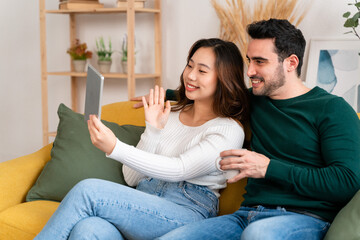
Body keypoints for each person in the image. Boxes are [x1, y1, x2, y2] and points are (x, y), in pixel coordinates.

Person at [151, 19, 360, 239]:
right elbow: (213, 93)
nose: (250, 71)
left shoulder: (332, 109)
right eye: (249, 60)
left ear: (291, 63)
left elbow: (347, 181)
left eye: (260, 62)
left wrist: (269, 168)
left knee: (258, 235)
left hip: (305, 219)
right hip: (244, 216)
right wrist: (161, 96)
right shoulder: (252, 100)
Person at [34, 38, 250, 240]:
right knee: (89, 228)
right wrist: (153, 130)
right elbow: (132, 178)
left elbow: (179, 169)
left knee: (88, 191)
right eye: (189, 65)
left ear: (224, 79)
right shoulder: (170, 113)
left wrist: (115, 147)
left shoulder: (228, 130)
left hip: (186, 212)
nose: (191, 75)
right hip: (145, 202)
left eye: (202, 70)